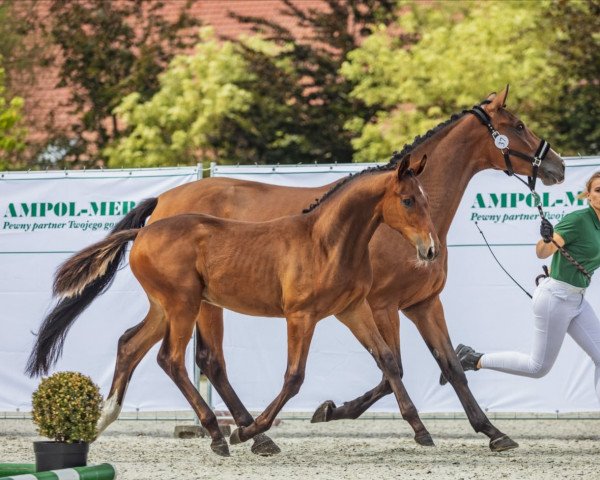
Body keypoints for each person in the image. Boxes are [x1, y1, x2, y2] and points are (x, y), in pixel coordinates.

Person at [441, 171, 600, 403]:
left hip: (577, 300)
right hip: (555, 298)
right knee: (538, 368)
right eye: (598, 190)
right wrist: (546, 239)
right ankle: (473, 359)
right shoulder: (579, 220)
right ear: (588, 195)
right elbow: (542, 252)